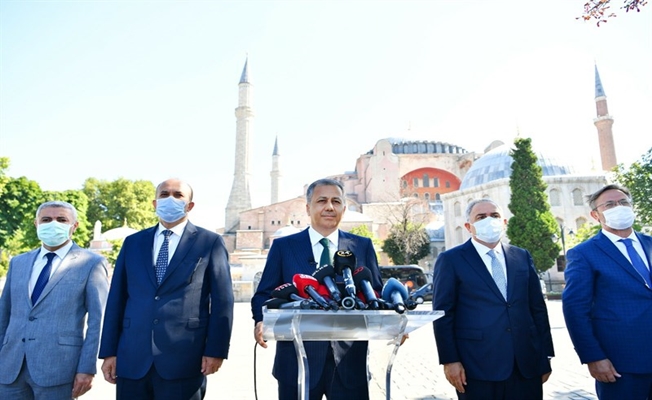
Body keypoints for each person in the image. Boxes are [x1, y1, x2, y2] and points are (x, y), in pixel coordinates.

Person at [99, 178, 234, 399]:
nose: (170, 199)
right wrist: (109, 352)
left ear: (190, 205)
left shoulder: (209, 242)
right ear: (154, 203)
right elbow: (117, 299)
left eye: (178, 195)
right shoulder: (133, 243)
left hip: (184, 359)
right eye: (164, 194)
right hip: (132, 358)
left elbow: (223, 302)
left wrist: (216, 350)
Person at [251, 178, 383, 400]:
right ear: (308, 208)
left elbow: (376, 292)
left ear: (344, 208)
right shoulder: (283, 247)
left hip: (349, 362)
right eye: (321, 201)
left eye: (336, 201)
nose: (329, 207)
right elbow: (265, 293)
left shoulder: (362, 246)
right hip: (297, 361)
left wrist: (396, 321)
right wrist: (260, 319)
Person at [432, 198, 554, 400]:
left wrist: (545, 356)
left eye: (494, 216)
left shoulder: (521, 256)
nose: (489, 220)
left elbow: (537, 309)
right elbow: (443, 314)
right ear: (469, 226)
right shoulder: (452, 260)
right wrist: (449, 360)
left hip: (526, 364)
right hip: (477, 365)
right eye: (481, 217)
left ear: (504, 222)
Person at [0, 200, 109, 399]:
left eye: (61, 219)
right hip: (10, 368)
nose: (53, 224)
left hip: (58, 369)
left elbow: (98, 321)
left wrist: (87, 368)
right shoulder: (18, 262)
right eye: (46, 219)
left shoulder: (92, 263)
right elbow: (3, 314)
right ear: (36, 224)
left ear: (74, 226)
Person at [562, 184, 652, 400]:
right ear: (595, 215)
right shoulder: (584, 254)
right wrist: (593, 357)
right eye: (610, 204)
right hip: (621, 365)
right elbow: (576, 310)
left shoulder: (650, 243)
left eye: (623, 202)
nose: (618, 207)